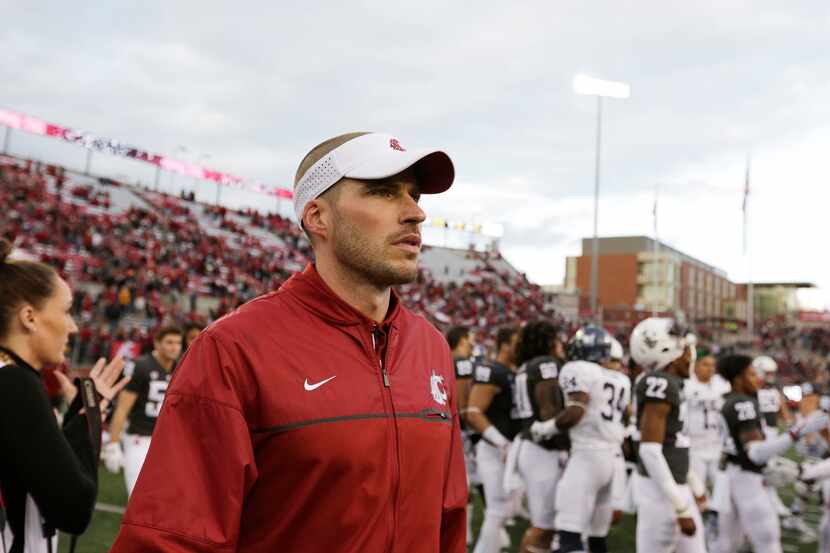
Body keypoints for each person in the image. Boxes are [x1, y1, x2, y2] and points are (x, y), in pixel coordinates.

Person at [111, 132, 467, 552]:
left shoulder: (431, 347)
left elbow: (449, 517)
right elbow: (173, 539)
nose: (415, 213)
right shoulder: (235, 348)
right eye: (384, 193)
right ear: (318, 217)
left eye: (415, 196)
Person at [0, 239, 128, 552]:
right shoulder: (14, 382)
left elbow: (38, 464)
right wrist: (89, 418)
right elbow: (72, 507)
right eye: (66, 311)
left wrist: (79, 413)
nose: (72, 327)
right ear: (29, 317)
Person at [712, 354, 827, 553]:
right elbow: (755, 454)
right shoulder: (743, 403)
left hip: (730, 474)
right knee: (768, 542)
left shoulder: (730, 400)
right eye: (751, 374)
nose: (757, 378)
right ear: (738, 378)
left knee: (726, 545)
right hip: (748, 480)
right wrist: (797, 431)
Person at [535, 325, 630, 553]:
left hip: (588, 456)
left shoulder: (578, 369)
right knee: (597, 538)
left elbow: (576, 411)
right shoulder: (620, 379)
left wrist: (544, 429)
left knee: (568, 535)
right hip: (614, 460)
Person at [629, 317, 706, 553]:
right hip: (659, 491)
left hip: (672, 485)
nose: (690, 355)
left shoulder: (671, 383)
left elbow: (673, 441)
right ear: (666, 351)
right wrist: (681, 507)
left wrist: (693, 482)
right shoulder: (659, 382)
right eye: (684, 348)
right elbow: (650, 451)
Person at [103, 325, 183, 495]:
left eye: (177, 343)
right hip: (140, 438)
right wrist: (113, 442)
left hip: (166, 441)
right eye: (169, 342)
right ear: (157, 343)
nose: (174, 347)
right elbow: (123, 408)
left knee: (164, 499)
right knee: (138, 495)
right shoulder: (142, 366)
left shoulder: (181, 367)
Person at [511, 320, 567, 553]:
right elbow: (548, 410)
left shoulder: (527, 365)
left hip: (533, 446)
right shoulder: (545, 364)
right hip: (544, 448)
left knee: (547, 527)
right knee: (543, 528)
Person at [466, 326, 520, 553]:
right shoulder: (492, 370)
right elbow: (472, 412)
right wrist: (501, 442)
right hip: (494, 449)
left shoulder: (513, 371)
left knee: (506, 510)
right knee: (497, 510)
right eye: (517, 342)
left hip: (510, 449)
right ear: (505, 344)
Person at [445, 325, 478, 546]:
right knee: (461, 487)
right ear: (463, 339)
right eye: (471, 337)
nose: (474, 341)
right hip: (459, 433)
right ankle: (463, 534)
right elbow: (463, 403)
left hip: (444, 428)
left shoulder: (444, 356)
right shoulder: (463, 363)